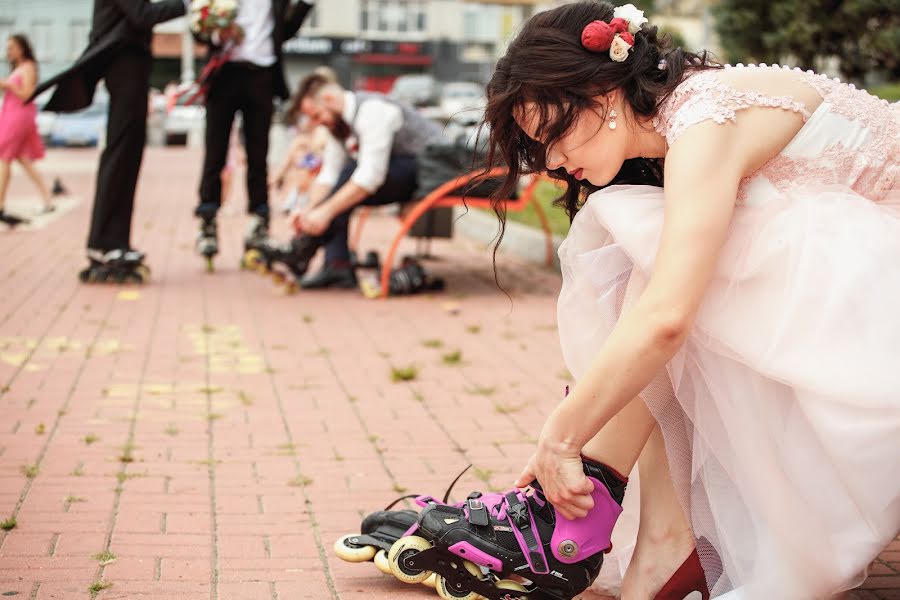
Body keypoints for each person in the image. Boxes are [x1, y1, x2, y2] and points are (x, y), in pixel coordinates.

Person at [461, 1, 900, 599]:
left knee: (668, 268)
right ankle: (656, 540)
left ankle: (593, 513)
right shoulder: (678, 123)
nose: (556, 162)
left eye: (554, 135)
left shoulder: (701, 119)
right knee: (646, 241)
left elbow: (668, 318)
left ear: (601, 93)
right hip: (865, 266)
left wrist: (559, 437)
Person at [31, 0, 187, 282]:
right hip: (122, 62)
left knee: (128, 155)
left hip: (131, 61)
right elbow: (142, 16)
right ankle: (103, 242)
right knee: (120, 152)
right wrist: (187, 4)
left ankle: (116, 241)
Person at [274, 73, 445, 289]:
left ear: (328, 99)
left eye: (317, 116)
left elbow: (370, 176)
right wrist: (309, 210)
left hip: (431, 173)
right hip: (402, 173)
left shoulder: (373, 111)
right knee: (345, 176)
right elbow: (329, 174)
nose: (318, 124)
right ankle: (330, 261)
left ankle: (308, 252)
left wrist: (325, 212)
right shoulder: (339, 126)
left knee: (351, 174)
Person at [193, 0, 315, 269]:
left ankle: (259, 225)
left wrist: (306, 5)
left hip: (262, 75)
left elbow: (285, 30)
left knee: (258, 156)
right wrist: (217, 32)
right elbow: (198, 29)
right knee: (215, 152)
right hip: (224, 72)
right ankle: (207, 220)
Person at [0, 34, 53, 227]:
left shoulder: (29, 67)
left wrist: (8, 85)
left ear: (22, 48)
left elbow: (28, 95)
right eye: (8, 48)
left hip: (19, 116)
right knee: (23, 160)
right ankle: (48, 198)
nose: (9, 51)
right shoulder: (18, 68)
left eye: (12, 47)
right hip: (10, 113)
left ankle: (0, 204)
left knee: (4, 156)